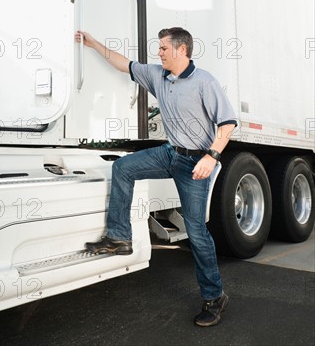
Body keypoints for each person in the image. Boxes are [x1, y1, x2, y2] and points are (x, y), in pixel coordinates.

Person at [75, 27, 237, 327]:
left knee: (196, 232)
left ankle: (215, 297)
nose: (159, 52)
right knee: (123, 167)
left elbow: (227, 124)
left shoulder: (204, 82)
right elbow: (123, 63)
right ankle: (119, 237)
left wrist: (210, 156)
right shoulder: (158, 75)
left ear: (181, 50)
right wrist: (94, 43)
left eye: (164, 48)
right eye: (159, 48)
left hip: (195, 163)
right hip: (170, 153)